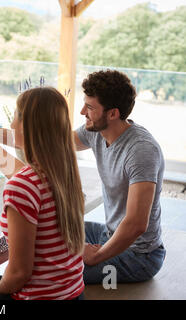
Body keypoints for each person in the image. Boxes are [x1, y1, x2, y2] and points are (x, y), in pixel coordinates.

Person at [0, 87, 85, 300]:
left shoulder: (22, 186)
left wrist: (1, 293)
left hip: (37, 297)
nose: (12, 124)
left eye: (15, 117)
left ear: (30, 127)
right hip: (71, 294)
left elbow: (19, 273)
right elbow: (22, 175)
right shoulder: (64, 173)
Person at [73, 69, 166, 283]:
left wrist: (96, 255)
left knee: (58, 274)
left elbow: (136, 224)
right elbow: (49, 142)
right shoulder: (95, 130)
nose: (81, 112)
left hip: (139, 257)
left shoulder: (141, 151)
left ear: (112, 113)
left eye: (89, 107)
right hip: (108, 234)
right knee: (56, 228)